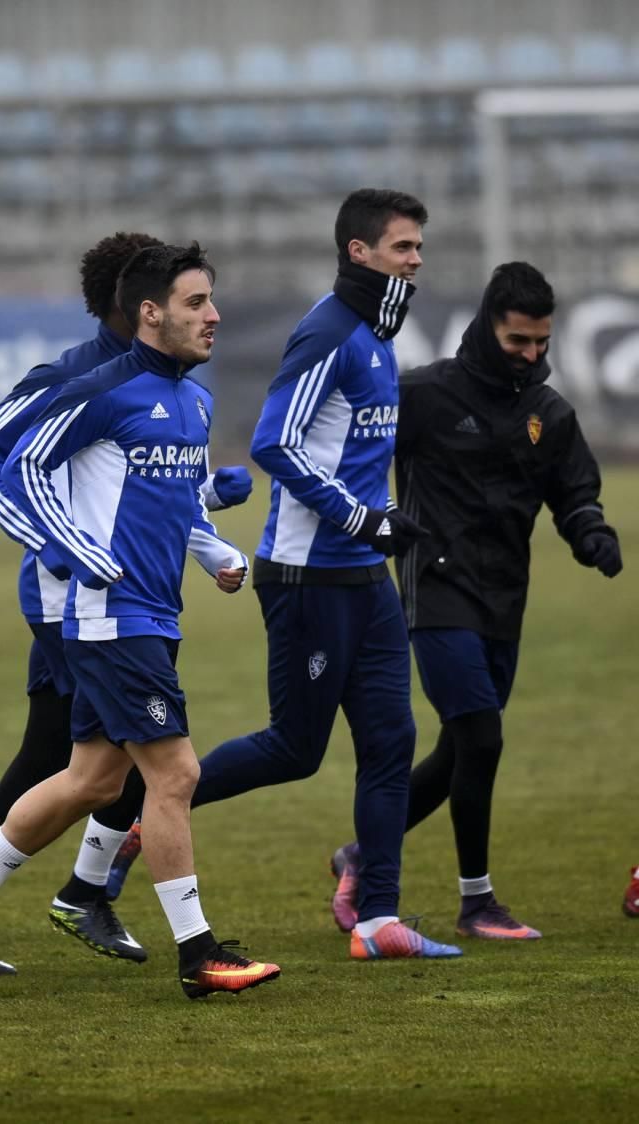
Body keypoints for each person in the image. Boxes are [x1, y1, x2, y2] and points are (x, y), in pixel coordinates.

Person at [110, 189, 464, 961]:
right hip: (307, 576)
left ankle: (377, 921)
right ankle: (137, 819)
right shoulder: (328, 333)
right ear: (359, 252)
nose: (417, 261)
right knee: (293, 749)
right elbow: (275, 443)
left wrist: (385, 520)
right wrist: (359, 519)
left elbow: (355, 452)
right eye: (404, 247)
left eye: (420, 248)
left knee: (392, 741)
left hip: (365, 576)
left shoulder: (375, 335)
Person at [0, 241, 281, 1000]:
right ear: (148, 312)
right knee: (176, 774)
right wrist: (67, 545)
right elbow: (13, 461)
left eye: (212, 301)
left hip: (156, 612)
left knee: (89, 779)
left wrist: (213, 549)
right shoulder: (99, 389)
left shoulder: (197, 399)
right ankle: (198, 955)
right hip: (109, 617)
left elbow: (168, 503)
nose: (214, 316)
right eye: (195, 303)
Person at [329, 261, 623, 940]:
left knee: (460, 751)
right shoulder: (426, 395)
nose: (531, 354)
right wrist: (373, 521)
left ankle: (358, 852)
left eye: (541, 343)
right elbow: (356, 458)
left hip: (503, 602)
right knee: (482, 738)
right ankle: (476, 900)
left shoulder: (548, 413)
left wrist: (592, 534)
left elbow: (573, 494)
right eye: (519, 341)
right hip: (433, 590)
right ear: (490, 326)